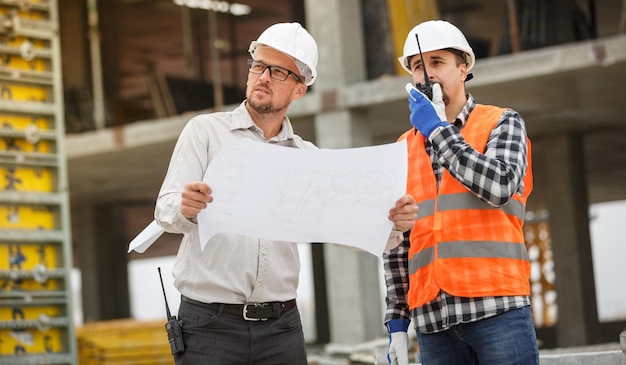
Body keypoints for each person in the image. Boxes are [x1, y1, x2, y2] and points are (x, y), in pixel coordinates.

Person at [154, 22, 419, 365]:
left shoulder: (305, 156)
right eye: (258, 66)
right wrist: (186, 208)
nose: (262, 76)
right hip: (208, 327)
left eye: (277, 71)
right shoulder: (205, 133)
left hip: (281, 330)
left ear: (298, 90)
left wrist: (394, 225)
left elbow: (345, 228)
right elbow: (165, 210)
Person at [383, 20, 538, 365]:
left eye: (438, 63)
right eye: (418, 66)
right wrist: (397, 320)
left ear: (463, 67)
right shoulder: (403, 148)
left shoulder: (501, 122)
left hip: (497, 309)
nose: (427, 75)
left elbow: (498, 186)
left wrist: (437, 130)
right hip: (433, 322)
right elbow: (397, 243)